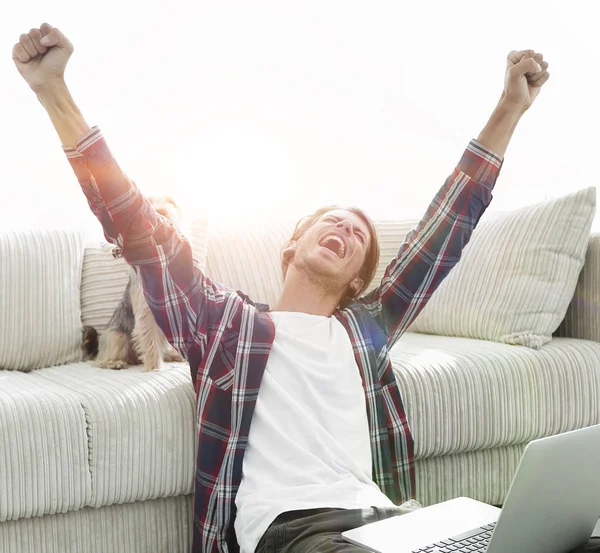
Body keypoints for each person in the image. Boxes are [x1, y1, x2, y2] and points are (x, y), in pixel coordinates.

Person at [15, 22, 594, 553]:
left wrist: (509, 108)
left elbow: (447, 228)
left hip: (392, 523)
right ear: (292, 245)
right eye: (331, 219)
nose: (344, 226)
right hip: (297, 531)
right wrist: (53, 92)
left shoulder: (365, 330)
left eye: (358, 233)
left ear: (358, 279)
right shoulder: (228, 326)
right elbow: (137, 226)